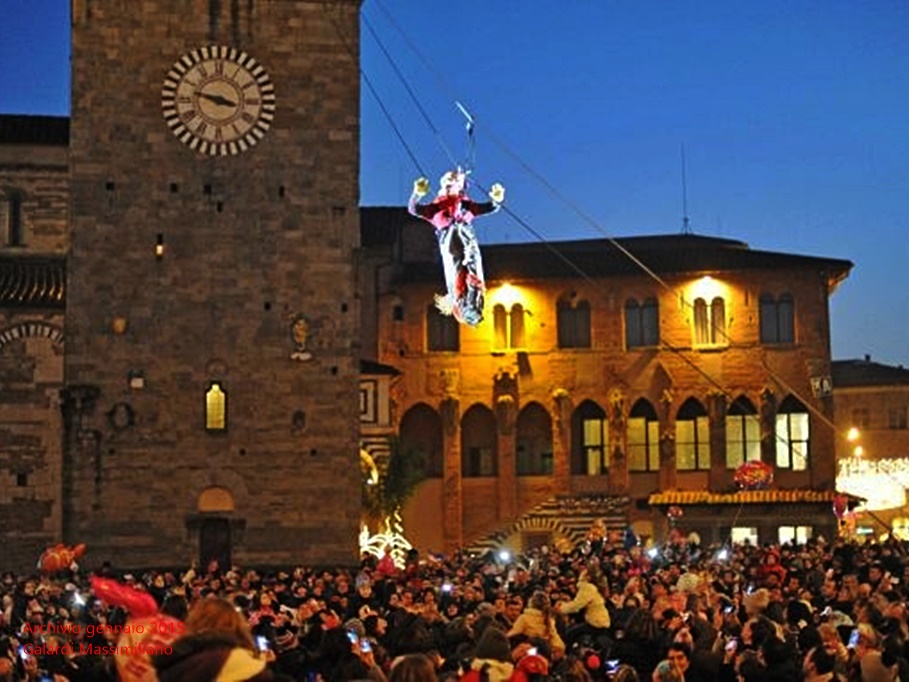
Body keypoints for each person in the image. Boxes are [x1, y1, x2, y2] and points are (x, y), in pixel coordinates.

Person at [408, 169, 505, 326]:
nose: (450, 183)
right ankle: (468, 305)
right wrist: (417, 193)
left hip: (466, 234)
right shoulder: (437, 206)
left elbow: (490, 207)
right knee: (458, 269)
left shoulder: (466, 205)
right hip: (449, 239)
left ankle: (466, 301)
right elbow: (414, 209)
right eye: (447, 181)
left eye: (453, 181)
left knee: (472, 262)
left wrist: (497, 199)